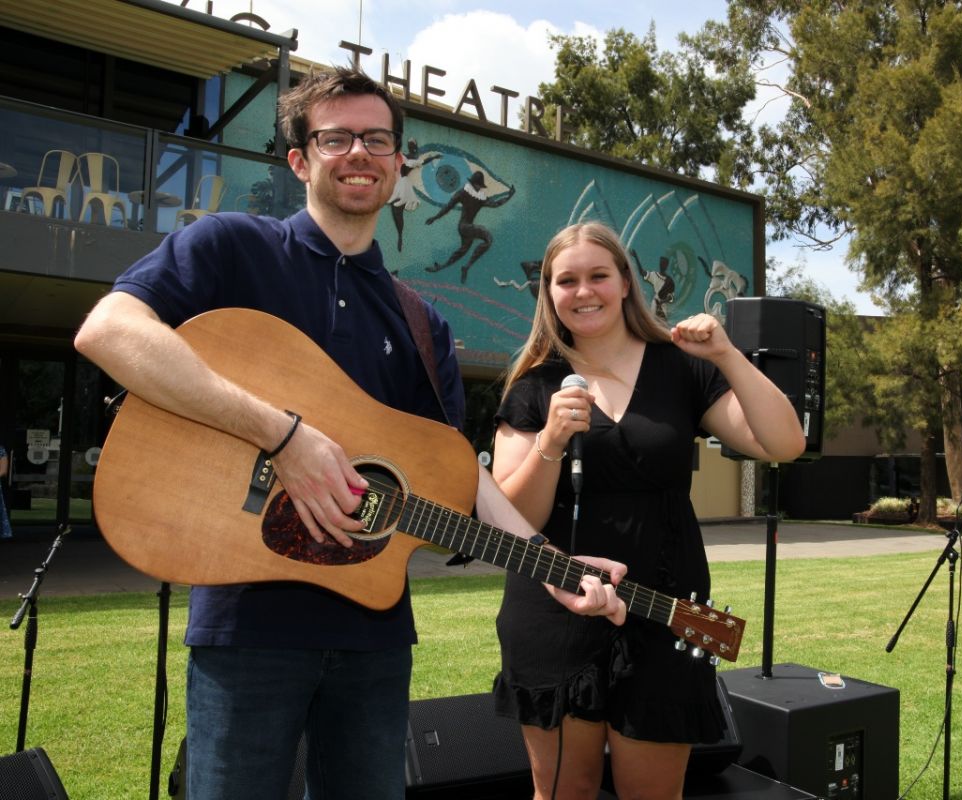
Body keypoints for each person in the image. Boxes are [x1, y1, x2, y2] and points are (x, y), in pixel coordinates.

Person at [73, 68, 626, 800]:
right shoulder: (232, 248)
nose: (359, 152)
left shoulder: (424, 325)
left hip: (373, 638)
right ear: (300, 159)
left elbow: (453, 475)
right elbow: (109, 330)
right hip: (247, 629)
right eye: (335, 138)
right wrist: (283, 438)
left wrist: (549, 564)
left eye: (377, 139)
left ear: (400, 166)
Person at [490, 221, 807, 799]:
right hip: (556, 610)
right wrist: (550, 443)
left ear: (625, 283)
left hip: (669, 611)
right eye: (567, 280)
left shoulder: (682, 367)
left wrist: (727, 354)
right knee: (563, 793)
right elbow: (512, 521)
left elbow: (785, 444)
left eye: (598, 276)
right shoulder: (534, 387)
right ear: (549, 292)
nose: (583, 291)